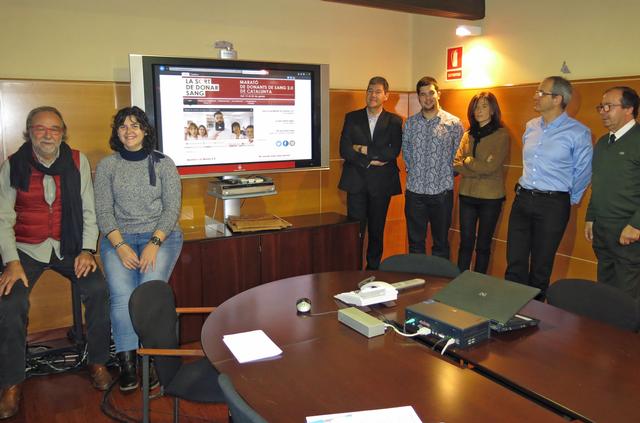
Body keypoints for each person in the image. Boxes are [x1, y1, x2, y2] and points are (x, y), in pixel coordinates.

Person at [0, 106, 111, 419]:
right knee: (10, 303)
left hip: (69, 245)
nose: (47, 135)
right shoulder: (13, 164)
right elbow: (3, 217)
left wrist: (87, 250)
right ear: (29, 132)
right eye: (40, 128)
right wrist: (11, 261)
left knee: (98, 289)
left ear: (63, 132)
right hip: (25, 249)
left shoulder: (77, 161)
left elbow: (89, 211)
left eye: (54, 129)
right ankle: (11, 382)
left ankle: (97, 361)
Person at [94, 106, 183, 392]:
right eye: (123, 126)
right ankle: (128, 363)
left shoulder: (164, 163)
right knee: (122, 297)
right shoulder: (108, 166)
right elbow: (103, 211)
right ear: (116, 133)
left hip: (161, 237)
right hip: (117, 238)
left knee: (147, 295)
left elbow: (172, 209)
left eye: (135, 125)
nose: (128, 131)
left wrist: (154, 244)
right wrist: (120, 246)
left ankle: (153, 359)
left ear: (145, 130)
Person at [505, 76, 592, 300]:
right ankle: (509, 311)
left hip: (553, 204)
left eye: (541, 92)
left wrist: (567, 199)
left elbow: (583, 172)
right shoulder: (531, 126)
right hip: (523, 198)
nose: (536, 96)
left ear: (557, 99)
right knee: (515, 262)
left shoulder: (578, 132)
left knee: (541, 267)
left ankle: (533, 313)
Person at [338, 76, 402, 270]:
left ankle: (373, 270)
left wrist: (362, 149)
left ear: (386, 96)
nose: (372, 95)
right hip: (356, 182)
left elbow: (392, 152)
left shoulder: (394, 121)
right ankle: (353, 271)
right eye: (370, 90)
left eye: (377, 91)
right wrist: (370, 160)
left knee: (376, 231)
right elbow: (344, 149)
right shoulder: (352, 117)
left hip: (381, 184)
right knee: (355, 232)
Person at [586, 86, 640, 298]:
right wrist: (591, 217)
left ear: (629, 109)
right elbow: (598, 182)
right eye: (601, 107)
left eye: (609, 106)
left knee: (627, 297)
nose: (603, 112)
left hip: (629, 232)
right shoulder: (602, 142)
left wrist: (636, 225)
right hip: (602, 231)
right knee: (606, 292)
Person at [402, 76, 464, 258]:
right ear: (418, 97)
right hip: (415, 193)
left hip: (441, 193)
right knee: (415, 245)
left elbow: (458, 156)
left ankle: (439, 277)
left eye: (431, 93)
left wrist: (444, 175)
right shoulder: (410, 124)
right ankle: (417, 276)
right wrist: (415, 172)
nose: (427, 98)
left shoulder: (453, 124)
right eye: (423, 94)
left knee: (441, 244)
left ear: (439, 94)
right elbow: (406, 152)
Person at [453, 92, 509, 273]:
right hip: (467, 195)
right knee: (465, 243)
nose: (479, 111)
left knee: (483, 246)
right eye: (476, 107)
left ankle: (479, 283)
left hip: (490, 198)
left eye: (484, 106)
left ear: (493, 110)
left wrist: (468, 161)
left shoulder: (501, 135)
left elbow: (490, 167)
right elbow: (456, 163)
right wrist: (477, 167)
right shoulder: (467, 134)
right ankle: (460, 280)